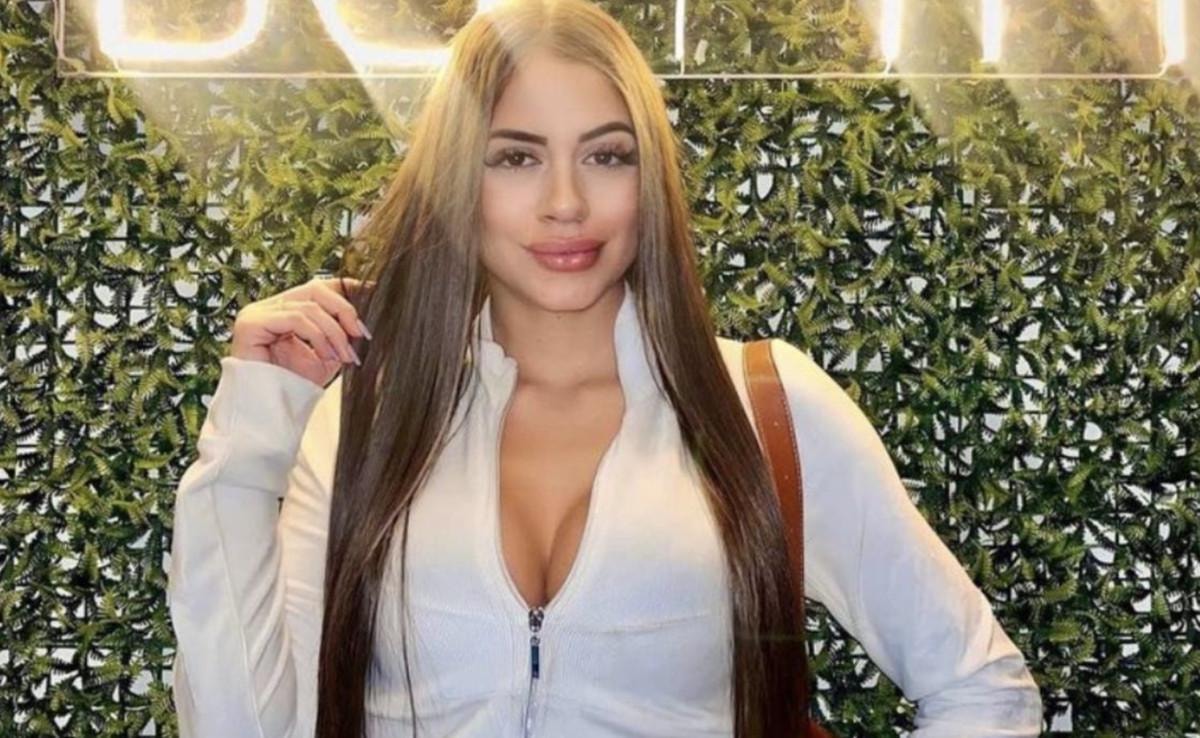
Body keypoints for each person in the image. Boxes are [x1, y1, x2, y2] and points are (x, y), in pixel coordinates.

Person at [166, 0, 1044, 736]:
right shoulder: (365, 418)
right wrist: (246, 452)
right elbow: (244, 729)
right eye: (516, 157)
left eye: (606, 155)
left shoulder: (762, 405)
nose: (566, 202)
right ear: (459, 180)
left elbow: (983, 691)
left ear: (647, 178)